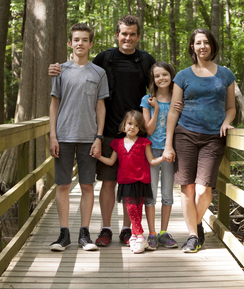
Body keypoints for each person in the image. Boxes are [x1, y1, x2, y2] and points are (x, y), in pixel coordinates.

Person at [49, 15, 182, 247]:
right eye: (123, 33)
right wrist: (58, 67)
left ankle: (128, 229)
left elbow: (162, 82)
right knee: (108, 182)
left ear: (138, 37)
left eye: (132, 34)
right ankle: (106, 228)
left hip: (137, 134)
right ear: (117, 35)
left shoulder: (146, 60)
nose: (127, 38)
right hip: (109, 130)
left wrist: (178, 99)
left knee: (132, 183)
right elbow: (81, 73)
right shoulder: (104, 58)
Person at [163, 28, 236, 253]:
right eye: (197, 43)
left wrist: (227, 121)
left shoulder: (225, 75)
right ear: (192, 47)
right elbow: (174, 111)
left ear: (212, 46)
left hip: (214, 136)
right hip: (185, 134)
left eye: (206, 42)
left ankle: (194, 225)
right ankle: (194, 236)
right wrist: (168, 143)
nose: (202, 46)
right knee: (188, 188)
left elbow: (231, 108)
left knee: (204, 190)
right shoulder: (183, 76)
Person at [49, 23, 108, 251]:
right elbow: (54, 105)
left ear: (91, 44)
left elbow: (100, 107)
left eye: (85, 40)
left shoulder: (98, 72)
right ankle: (64, 234)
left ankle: (85, 234)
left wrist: (99, 137)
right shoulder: (60, 70)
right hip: (63, 135)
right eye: (76, 39)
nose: (80, 43)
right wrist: (53, 135)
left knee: (87, 185)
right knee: (62, 185)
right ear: (70, 43)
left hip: (88, 136)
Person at [93, 110, 165, 254]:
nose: (132, 127)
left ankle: (135, 236)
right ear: (124, 125)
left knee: (136, 210)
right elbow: (111, 161)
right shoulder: (117, 143)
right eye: (130, 124)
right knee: (131, 209)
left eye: (136, 125)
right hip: (125, 182)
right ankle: (139, 236)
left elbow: (151, 161)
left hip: (141, 181)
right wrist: (99, 157)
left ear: (140, 129)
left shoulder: (144, 143)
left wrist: (163, 157)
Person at [140, 62, 178, 250]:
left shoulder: (178, 99)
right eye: (157, 76)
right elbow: (148, 128)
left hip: (170, 150)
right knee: (151, 193)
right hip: (151, 150)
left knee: (167, 194)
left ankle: (164, 232)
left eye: (165, 74)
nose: (161, 78)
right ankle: (152, 233)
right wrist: (155, 108)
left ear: (171, 76)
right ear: (153, 79)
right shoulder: (147, 99)